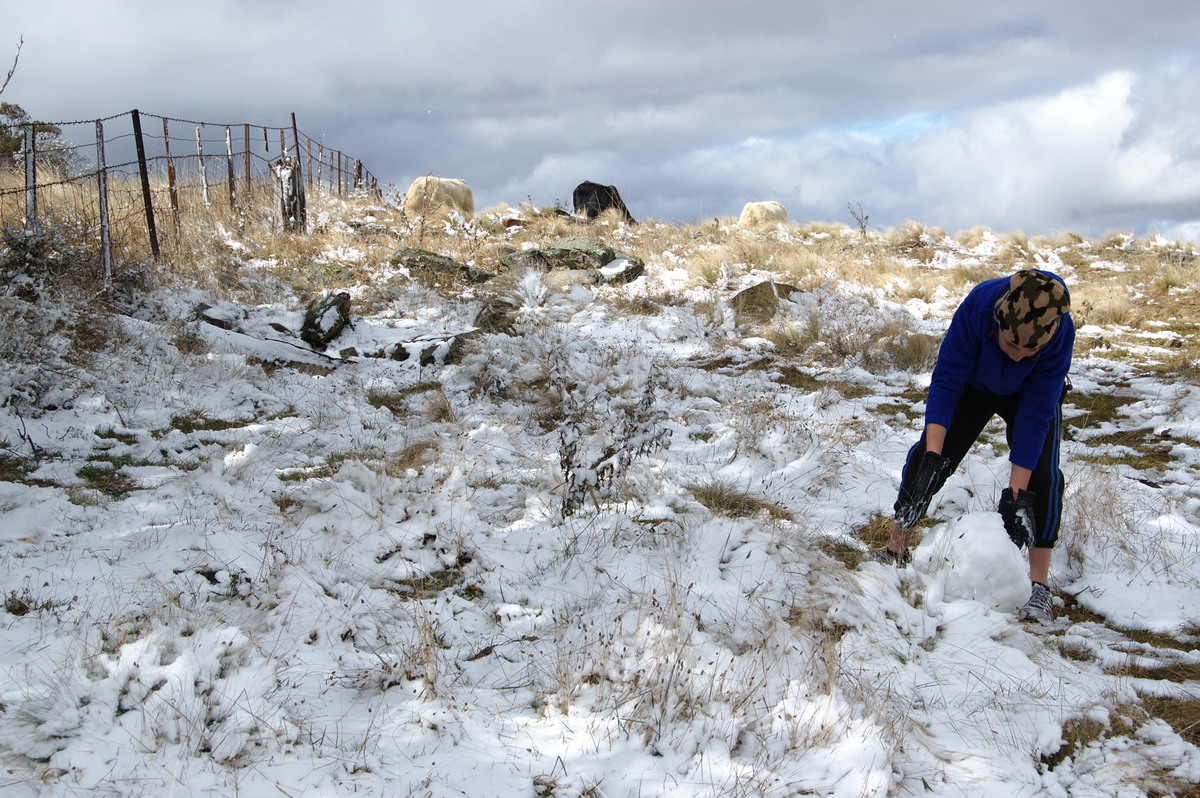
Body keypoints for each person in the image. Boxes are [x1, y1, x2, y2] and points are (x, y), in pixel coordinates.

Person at [870, 269, 1074, 624]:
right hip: (973, 384)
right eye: (1011, 345)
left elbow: (1035, 417)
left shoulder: (1058, 335)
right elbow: (947, 381)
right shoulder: (980, 307)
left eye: (1030, 351)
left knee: (1043, 477)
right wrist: (935, 456)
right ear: (997, 321)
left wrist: (1016, 493)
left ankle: (1038, 586)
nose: (1017, 357)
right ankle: (896, 548)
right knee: (927, 459)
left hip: (1030, 394)